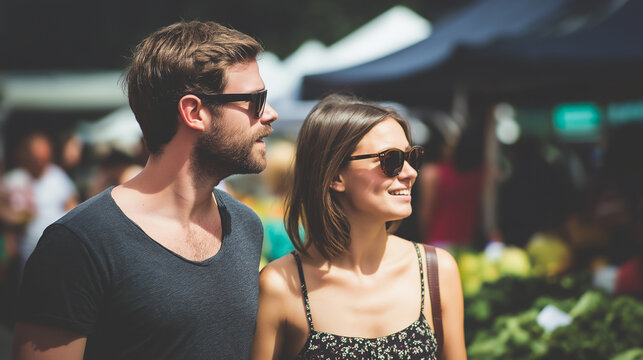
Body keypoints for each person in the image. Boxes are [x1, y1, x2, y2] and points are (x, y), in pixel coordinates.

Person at [13, 20, 278, 359]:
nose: (270, 114)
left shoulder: (245, 226)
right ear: (194, 111)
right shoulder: (80, 244)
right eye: (256, 100)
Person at [252, 94, 466, 359]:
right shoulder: (281, 285)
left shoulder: (437, 271)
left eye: (412, 156)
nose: (410, 172)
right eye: (391, 160)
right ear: (335, 175)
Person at [2, 132, 78, 271]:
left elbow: (73, 207)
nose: (40, 162)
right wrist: (16, 217)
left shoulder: (58, 176)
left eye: (43, 158)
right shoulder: (12, 181)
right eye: (35, 158)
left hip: (58, 249)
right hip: (25, 252)